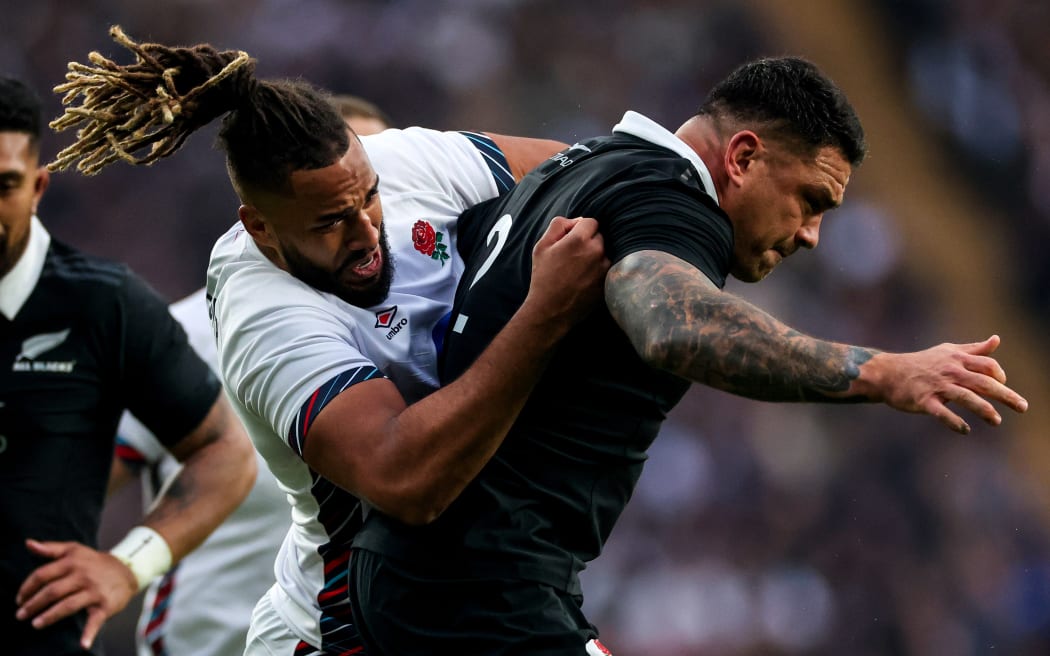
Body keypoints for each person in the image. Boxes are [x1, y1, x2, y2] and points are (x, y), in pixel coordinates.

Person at [346, 56, 1032, 654]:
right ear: (741, 157)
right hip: (480, 589)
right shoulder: (672, 202)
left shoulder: (581, 166)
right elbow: (670, 324)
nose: (812, 236)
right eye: (811, 201)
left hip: (415, 573)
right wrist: (883, 372)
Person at [47, 26, 608, 656]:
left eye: (368, 196)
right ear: (259, 226)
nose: (368, 231)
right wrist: (125, 564)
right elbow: (403, 480)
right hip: (327, 628)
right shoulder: (255, 319)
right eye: (331, 221)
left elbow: (586, 176)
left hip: (468, 594)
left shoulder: (406, 166)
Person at [107, 95, 395, 656]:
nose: (359, 223)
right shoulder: (191, 332)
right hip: (205, 644)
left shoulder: (412, 330)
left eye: (371, 191)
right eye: (329, 208)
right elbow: (73, 480)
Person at [0, 76, 257, 656]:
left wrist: (126, 566)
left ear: (38, 187)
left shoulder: (103, 304)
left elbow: (226, 452)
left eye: (4, 186)